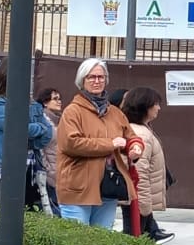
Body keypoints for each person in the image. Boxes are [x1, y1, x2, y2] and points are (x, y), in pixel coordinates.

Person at [56, 58, 140, 227]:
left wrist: (135, 147)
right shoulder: (72, 111)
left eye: (101, 77)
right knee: (78, 243)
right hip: (77, 188)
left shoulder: (115, 112)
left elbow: (129, 137)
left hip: (107, 187)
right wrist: (110, 144)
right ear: (82, 81)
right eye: (91, 77)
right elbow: (71, 144)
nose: (97, 81)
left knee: (102, 241)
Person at [0, 65, 55, 205]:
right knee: (3, 215)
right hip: (1, 167)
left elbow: (47, 133)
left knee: (27, 215)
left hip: (29, 167)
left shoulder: (31, 104)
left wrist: (30, 137)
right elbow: (16, 129)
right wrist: (33, 129)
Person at [121, 86, 172, 244]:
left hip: (138, 200)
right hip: (138, 200)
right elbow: (139, 172)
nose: (158, 108)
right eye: (156, 104)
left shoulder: (141, 130)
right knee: (135, 240)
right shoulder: (140, 134)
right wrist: (143, 205)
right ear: (144, 106)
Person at [36, 87, 64, 215]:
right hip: (48, 175)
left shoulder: (58, 121)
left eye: (60, 99)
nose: (59, 102)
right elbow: (40, 148)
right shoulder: (43, 120)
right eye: (55, 99)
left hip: (58, 173)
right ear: (45, 102)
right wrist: (46, 170)